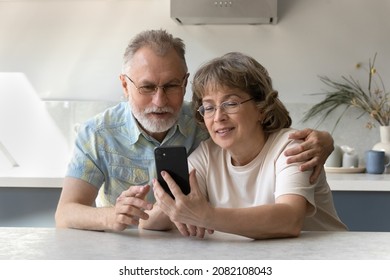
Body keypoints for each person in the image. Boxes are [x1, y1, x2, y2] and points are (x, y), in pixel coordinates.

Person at [55, 29, 334, 232]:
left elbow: (288, 215)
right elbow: (66, 213)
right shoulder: (98, 133)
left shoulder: (206, 126)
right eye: (147, 87)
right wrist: (118, 214)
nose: (159, 101)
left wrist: (326, 140)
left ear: (184, 83)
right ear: (125, 85)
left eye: (171, 86)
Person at [146, 52, 347, 239]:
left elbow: (289, 219)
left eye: (231, 104)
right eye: (209, 107)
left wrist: (206, 216)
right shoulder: (208, 154)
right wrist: (166, 206)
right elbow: (152, 223)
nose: (218, 117)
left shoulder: (291, 147)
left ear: (261, 108)